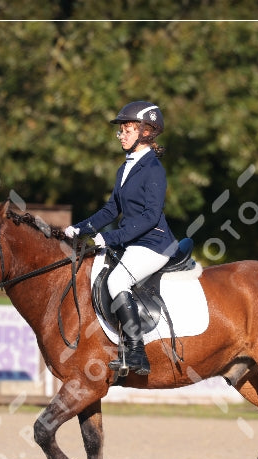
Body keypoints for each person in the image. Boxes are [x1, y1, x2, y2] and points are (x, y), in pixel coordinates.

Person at [65, 101, 178, 376]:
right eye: (121, 130)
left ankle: (137, 352)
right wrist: (78, 229)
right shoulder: (125, 167)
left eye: (127, 129)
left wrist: (111, 238)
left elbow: (150, 217)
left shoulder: (153, 169)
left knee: (117, 280)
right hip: (133, 241)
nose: (121, 135)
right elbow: (110, 210)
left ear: (147, 132)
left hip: (154, 243)